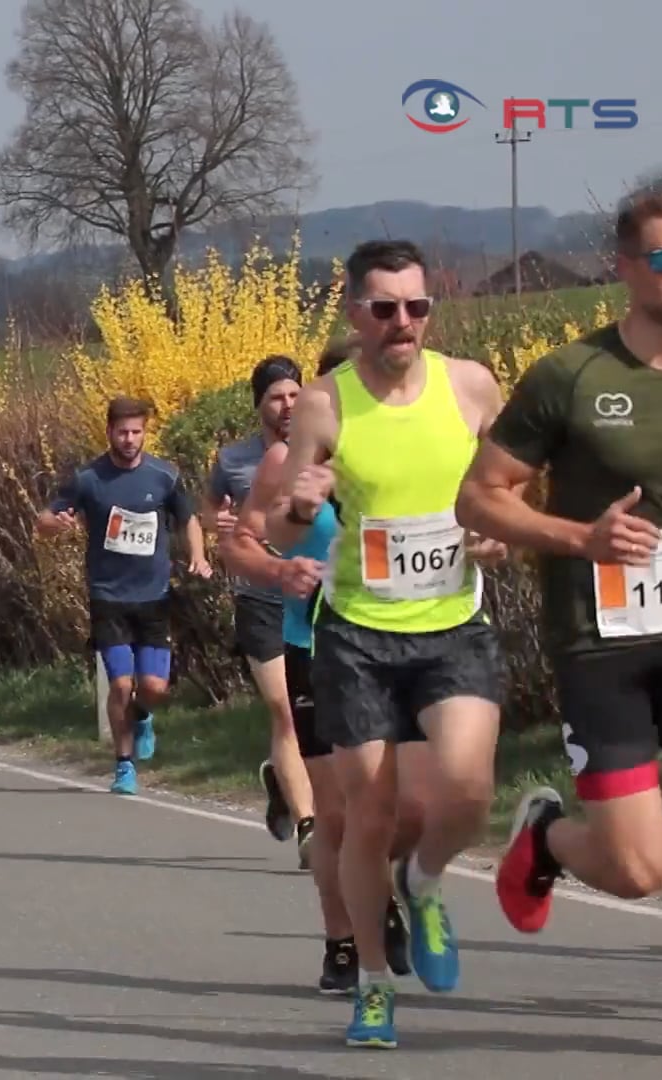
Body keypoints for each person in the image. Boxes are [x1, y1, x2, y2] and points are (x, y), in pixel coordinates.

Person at [458, 188, 662, 1080]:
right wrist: (581, 538)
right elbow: (480, 498)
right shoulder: (568, 377)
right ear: (626, 268)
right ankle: (547, 838)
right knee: (637, 870)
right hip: (602, 645)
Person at [267, 238, 506, 1050]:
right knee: (370, 813)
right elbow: (279, 522)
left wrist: (499, 534)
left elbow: (507, 485)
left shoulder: (471, 385)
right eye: (384, 308)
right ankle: (372, 982)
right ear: (353, 314)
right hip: (359, 632)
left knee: (468, 791)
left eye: (416, 306)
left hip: (452, 622)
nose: (402, 322)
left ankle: (427, 878)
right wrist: (302, 505)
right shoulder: (325, 404)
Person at [226, 342, 417, 996]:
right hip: (315, 647)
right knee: (337, 815)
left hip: (402, 640)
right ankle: (342, 941)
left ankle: (385, 895)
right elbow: (242, 537)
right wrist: (281, 570)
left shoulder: (408, 449)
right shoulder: (286, 462)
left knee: (398, 802)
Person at [36, 396, 210, 795]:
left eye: (137, 432)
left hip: (154, 597)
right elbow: (45, 519)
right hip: (108, 596)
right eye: (122, 432)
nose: (130, 440)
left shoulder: (164, 476)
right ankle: (124, 765)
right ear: (109, 431)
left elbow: (189, 519)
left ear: (145, 432)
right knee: (119, 686)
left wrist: (198, 556)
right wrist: (55, 523)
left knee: (154, 688)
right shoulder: (89, 479)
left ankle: (143, 714)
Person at [209, 357, 314, 856]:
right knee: (285, 712)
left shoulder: (325, 454)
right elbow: (214, 512)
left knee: (320, 721)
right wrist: (221, 528)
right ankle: (311, 829)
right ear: (259, 405)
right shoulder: (234, 461)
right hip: (260, 600)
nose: (287, 405)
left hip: (313, 603)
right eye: (276, 397)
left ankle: (284, 777)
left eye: (295, 394)